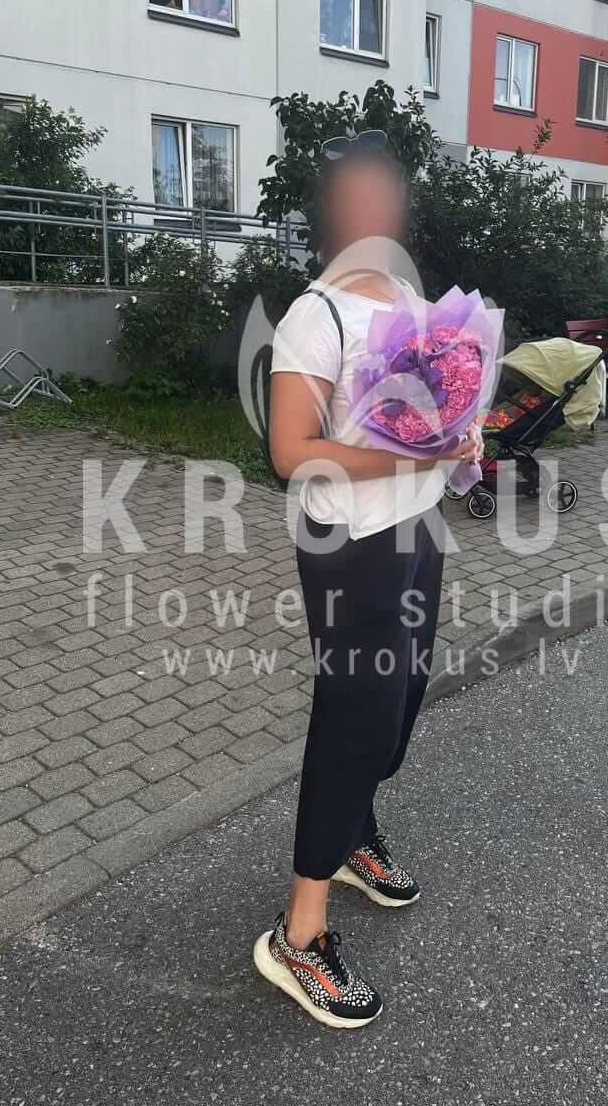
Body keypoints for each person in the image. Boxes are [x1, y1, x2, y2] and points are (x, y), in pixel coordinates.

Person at [253, 136, 483, 1029]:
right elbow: (290, 452)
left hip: (417, 528)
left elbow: (441, 403)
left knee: (398, 705)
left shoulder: (413, 304)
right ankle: (298, 936)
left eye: (384, 193)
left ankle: (353, 833)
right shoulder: (316, 316)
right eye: (354, 195)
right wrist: (405, 454)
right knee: (354, 716)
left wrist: (459, 435)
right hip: (349, 542)